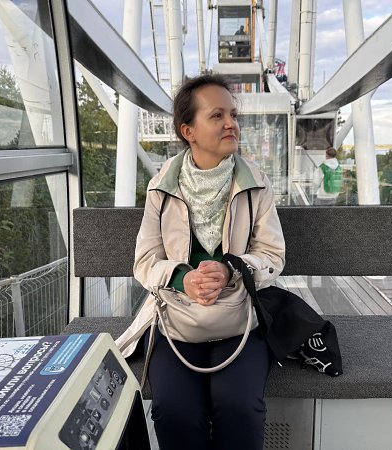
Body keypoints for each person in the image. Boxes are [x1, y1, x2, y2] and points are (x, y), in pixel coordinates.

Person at [116, 74, 285, 450]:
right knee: (174, 411)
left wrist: (231, 269)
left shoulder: (256, 184)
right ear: (188, 131)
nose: (231, 124)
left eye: (233, 115)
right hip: (175, 320)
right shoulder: (161, 187)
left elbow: (273, 255)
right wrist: (182, 279)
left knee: (239, 407)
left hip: (239, 317)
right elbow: (145, 261)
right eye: (217, 115)